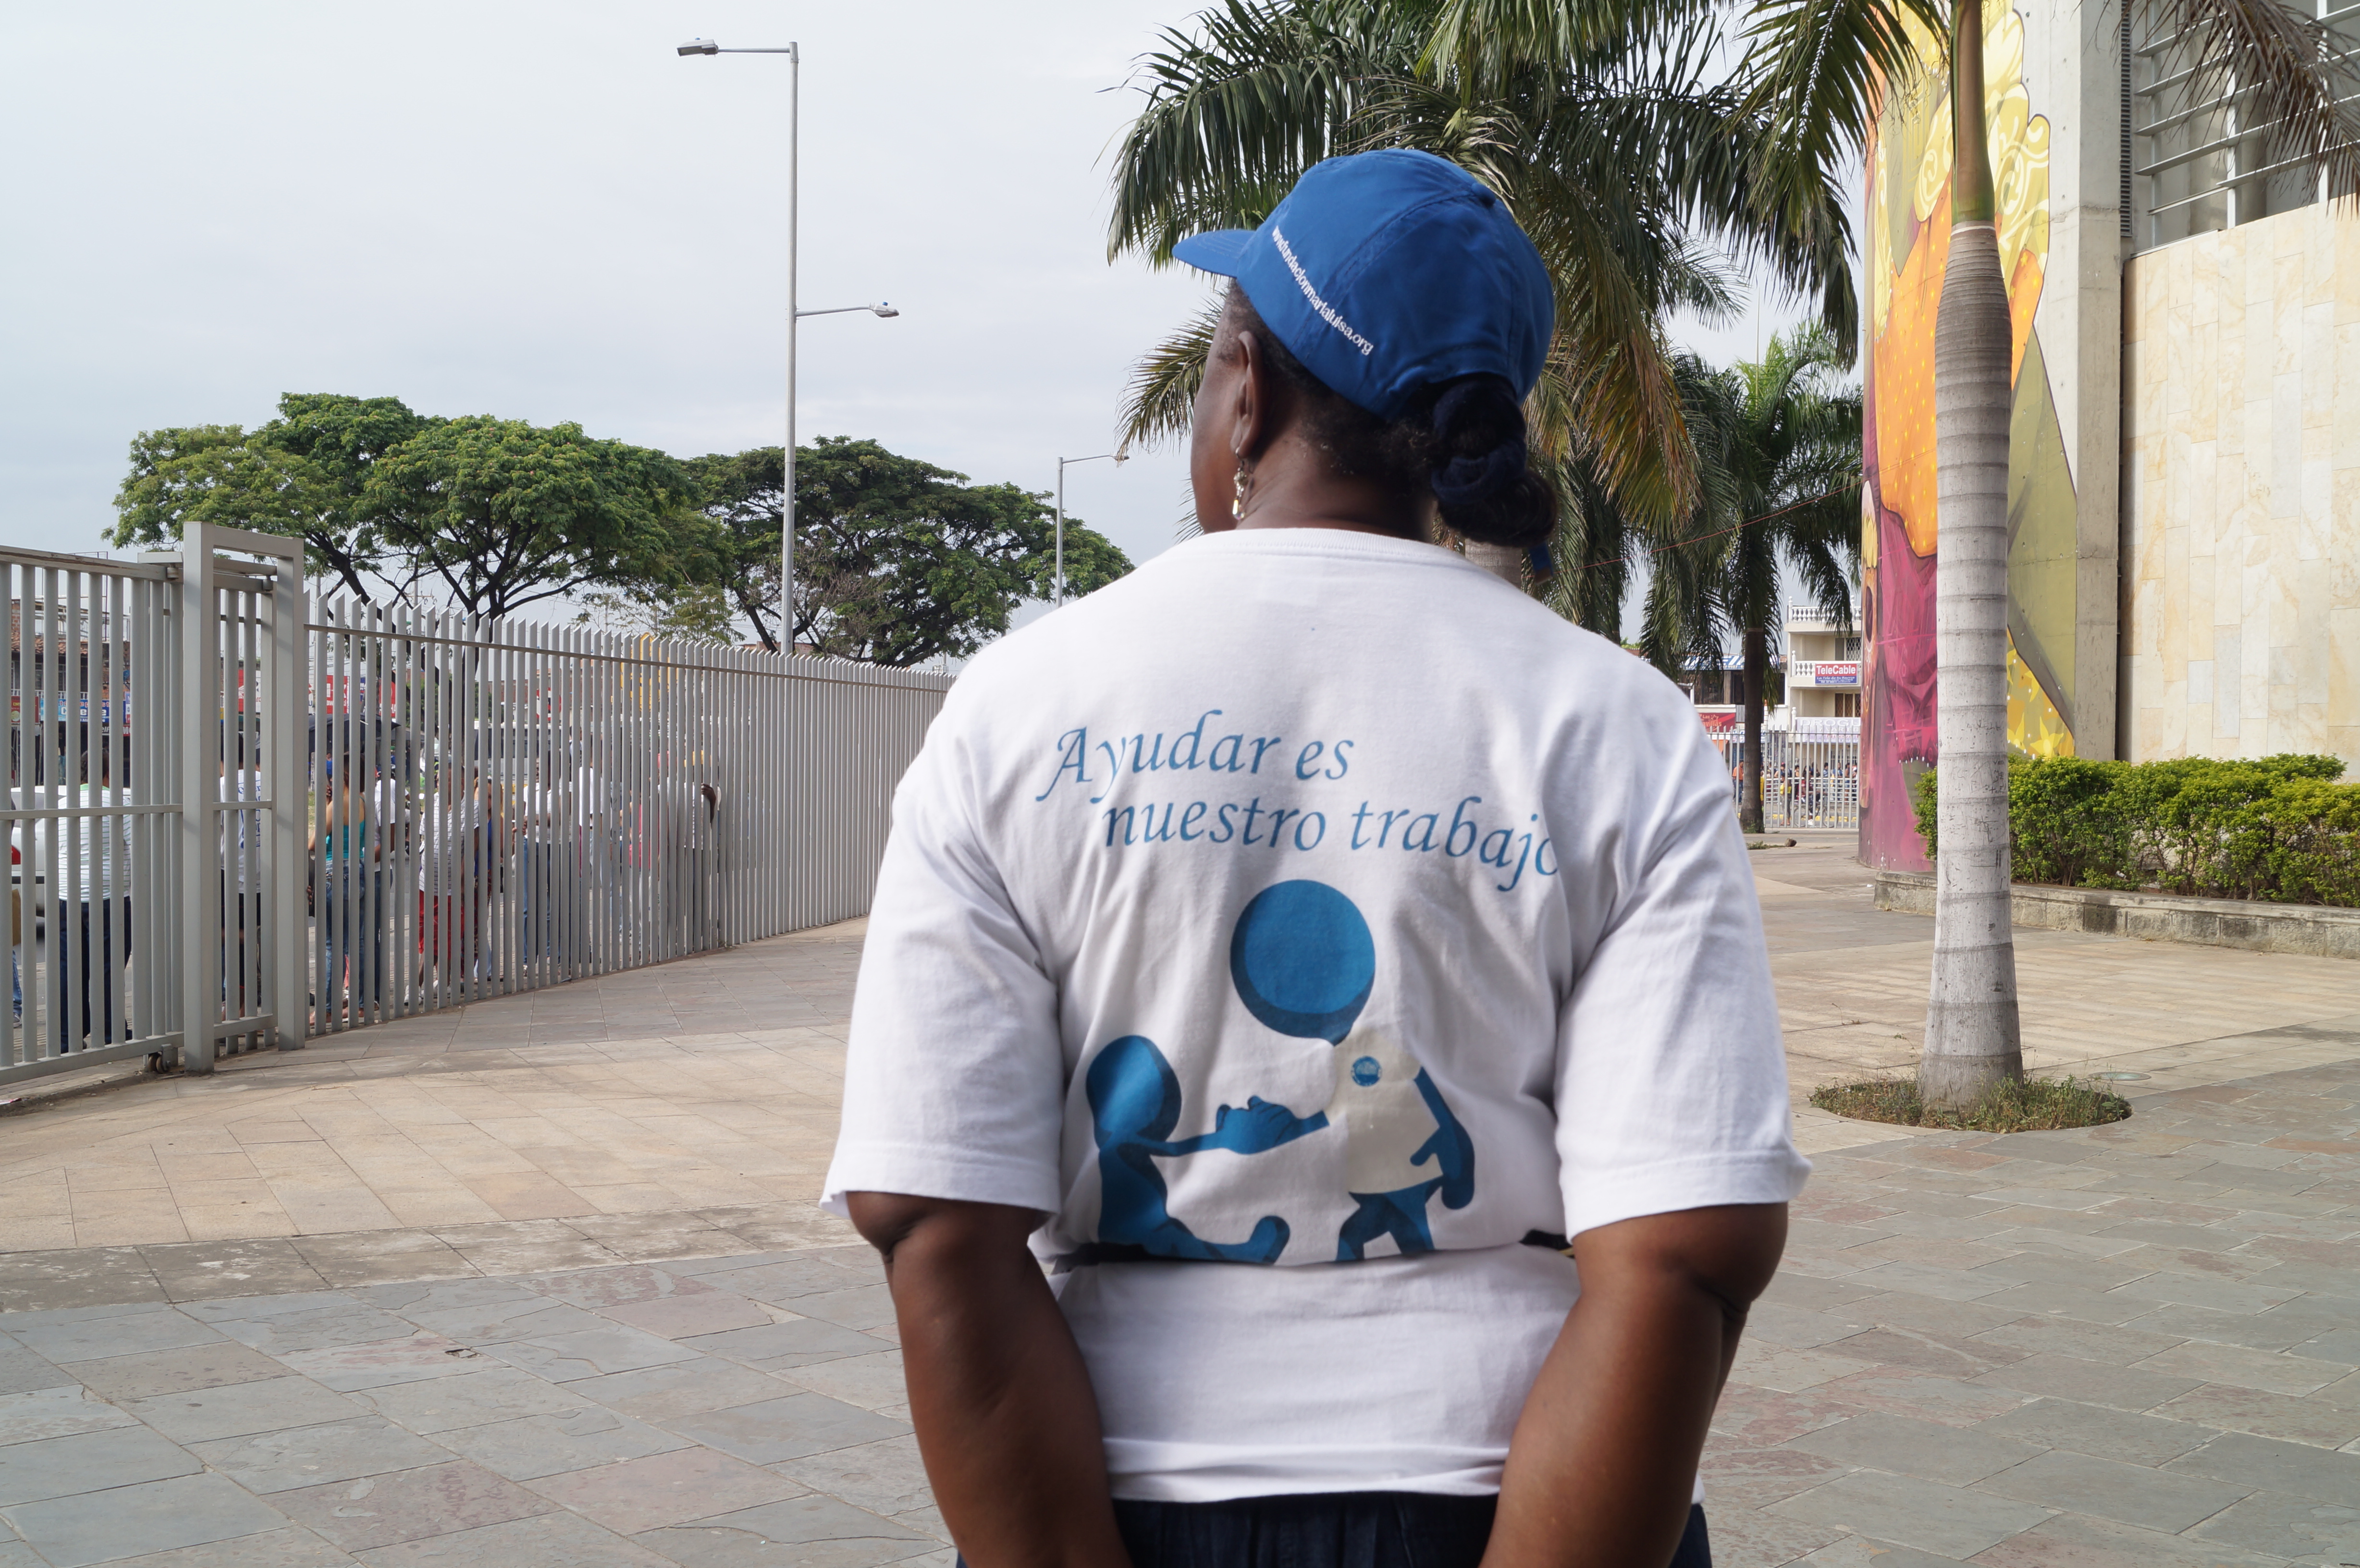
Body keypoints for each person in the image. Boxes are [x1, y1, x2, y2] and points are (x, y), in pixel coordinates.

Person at [824, 149, 1805, 1568]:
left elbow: (931, 1212)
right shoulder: (1617, 726)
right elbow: (1686, 1246)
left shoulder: (1022, 705)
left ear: (1247, 391)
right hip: (1533, 1492)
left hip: (1099, 1491)